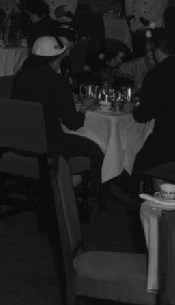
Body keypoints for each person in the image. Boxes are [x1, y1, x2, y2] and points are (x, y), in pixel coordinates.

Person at [117, 28, 175, 199]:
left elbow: (142, 115)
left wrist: (130, 108)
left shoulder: (157, 73)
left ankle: (149, 198)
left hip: (169, 145)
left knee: (132, 153)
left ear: (158, 49)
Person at [11, 36, 105, 194]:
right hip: (47, 145)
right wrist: (84, 108)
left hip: (20, 141)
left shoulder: (21, 77)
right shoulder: (58, 81)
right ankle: (74, 193)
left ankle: (60, 185)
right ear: (56, 59)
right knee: (96, 150)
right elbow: (74, 123)